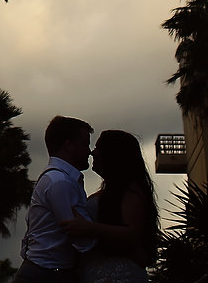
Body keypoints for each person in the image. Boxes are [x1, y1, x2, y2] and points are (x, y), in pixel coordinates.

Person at [61, 130, 159, 283]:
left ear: (113, 155)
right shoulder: (109, 193)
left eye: (98, 148)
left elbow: (132, 234)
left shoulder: (131, 192)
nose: (93, 152)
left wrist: (88, 228)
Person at [17, 115, 96, 283]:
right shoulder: (59, 182)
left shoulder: (58, 179)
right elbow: (80, 239)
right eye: (85, 144)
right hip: (47, 274)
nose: (89, 151)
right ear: (68, 145)